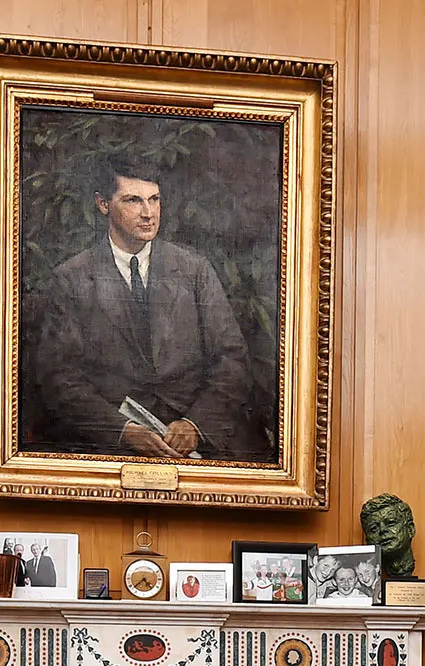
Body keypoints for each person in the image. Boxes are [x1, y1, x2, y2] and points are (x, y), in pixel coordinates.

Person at [26, 163, 261, 461]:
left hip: (196, 438)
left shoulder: (194, 270)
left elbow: (233, 359)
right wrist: (122, 430)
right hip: (107, 443)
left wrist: (194, 425)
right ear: (103, 204)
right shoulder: (72, 278)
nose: (148, 213)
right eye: (133, 200)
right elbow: (60, 378)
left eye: (154, 199)